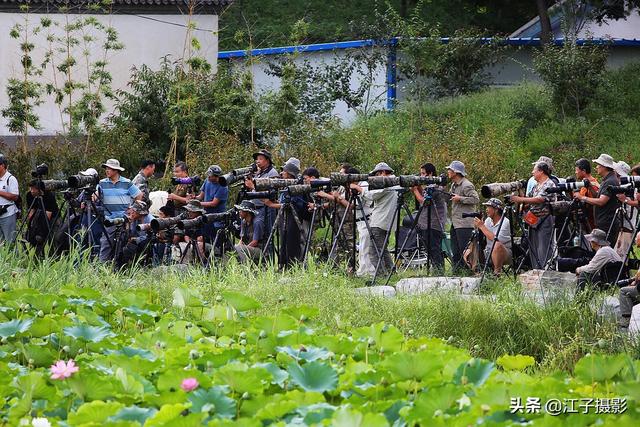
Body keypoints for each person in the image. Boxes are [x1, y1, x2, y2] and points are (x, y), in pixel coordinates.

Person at [352, 162, 399, 276]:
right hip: (386, 221)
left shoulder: (388, 183)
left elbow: (372, 195)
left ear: (383, 173)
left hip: (380, 221)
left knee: (374, 251)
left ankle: (380, 275)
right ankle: (391, 273)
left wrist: (358, 188)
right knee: (382, 249)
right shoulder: (394, 182)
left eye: (377, 174)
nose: (376, 177)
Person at [510, 162, 556, 270]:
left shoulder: (549, 184)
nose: (532, 172)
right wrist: (519, 190)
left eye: (534, 170)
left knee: (543, 247)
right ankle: (536, 270)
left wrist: (520, 199)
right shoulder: (536, 186)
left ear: (541, 171)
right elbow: (528, 198)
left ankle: (546, 270)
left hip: (545, 219)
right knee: (534, 247)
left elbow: (540, 199)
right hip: (534, 220)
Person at [97, 158, 143, 262]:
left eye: (110, 168)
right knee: (105, 243)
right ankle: (101, 266)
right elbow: (95, 194)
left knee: (123, 244)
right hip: (109, 219)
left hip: (124, 219)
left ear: (116, 170)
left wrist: (133, 209)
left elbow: (139, 195)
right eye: (106, 168)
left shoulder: (126, 182)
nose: (107, 170)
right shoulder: (102, 183)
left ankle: (120, 266)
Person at [263, 159, 306, 266]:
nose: (281, 173)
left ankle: (292, 265)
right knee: (284, 241)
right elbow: (284, 202)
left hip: (293, 217)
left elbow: (291, 205)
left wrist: (271, 204)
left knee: (291, 241)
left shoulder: (296, 186)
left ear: (290, 174)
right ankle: (283, 264)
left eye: (284, 171)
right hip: (285, 216)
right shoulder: (286, 186)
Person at [576, 154, 621, 247]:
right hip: (604, 221)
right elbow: (599, 196)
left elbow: (601, 201)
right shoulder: (607, 180)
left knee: (606, 249)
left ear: (604, 167)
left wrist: (582, 197)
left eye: (598, 165)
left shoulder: (610, 181)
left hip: (607, 222)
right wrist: (590, 187)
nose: (596, 167)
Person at [411, 162, 448, 271]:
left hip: (434, 223)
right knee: (429, 249)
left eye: (423, 173)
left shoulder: (436, 187)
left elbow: (424, 202)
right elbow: (425, 195)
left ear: (430, 173)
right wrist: (419, 188)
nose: (421, 176)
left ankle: (439, 271)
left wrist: (415, 191)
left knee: (434, 248)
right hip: (426, 222)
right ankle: (436, 269)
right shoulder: (429, 186)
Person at [447, 160, 480, 272]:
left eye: (450, 170)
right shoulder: (453, 185)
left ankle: (469, 271)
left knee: (465, 250)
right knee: (455, 250)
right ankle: (457, 271)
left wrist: (460, 199)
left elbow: (476, 199)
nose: (448, 171)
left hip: (465, 223)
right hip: (456, 222)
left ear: (456, 172)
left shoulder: (467, 185)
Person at [245, 149, 279, 238]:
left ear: (267, 160)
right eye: (257, 159)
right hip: (257, 207)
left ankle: (268, 252)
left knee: (267, 234)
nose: (257, 161)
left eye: (260, 159)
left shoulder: (272, 173)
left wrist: (252, 186)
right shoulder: (259, 172)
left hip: (267, 208)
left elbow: (269, 194)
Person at [575, 228, 622, 293]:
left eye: (591, 240)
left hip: (610, 281)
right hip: (613, 278)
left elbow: (591, 268)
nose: (590, 242)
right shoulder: (608, 249)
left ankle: (579, 299)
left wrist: (578, 269)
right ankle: (586, 298)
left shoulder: (603, 251)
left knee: (583, 274)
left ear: (595, 241)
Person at [474, 198, 512, 275]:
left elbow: (497, 240)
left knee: (497, 245)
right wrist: (478, 227)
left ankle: (497, 273)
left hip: (504, 253)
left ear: (496, 210)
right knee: (470, 248)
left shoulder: (505, 222)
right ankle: (476, 271)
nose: (486, 210)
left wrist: (482, 226)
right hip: (488, 251)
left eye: (488, 207)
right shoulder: (488, 220)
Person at [197, 165, 229, 246]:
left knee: (216, 242)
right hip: (206, 215)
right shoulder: (207, 181)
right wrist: (193, 198)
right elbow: (200, 196)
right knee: (205, 238)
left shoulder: (223, 186)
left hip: (217, 218)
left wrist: (198, 204)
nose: (208, 177)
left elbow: (214, 203)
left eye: (210, 176)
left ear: (216, 176)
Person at [25, 179, 60, 251]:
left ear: (39, 190)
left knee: (54, 236)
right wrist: (32, 225)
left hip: (53, 217)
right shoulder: (29, 195)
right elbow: (31, 210)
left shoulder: (49, 195)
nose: (32, 191)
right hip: (38, 216)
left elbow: (48, 216)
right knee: (34, 234)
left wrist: (42, 230)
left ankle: (55, 251)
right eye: (30, 188)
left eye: (34, 189)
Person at [117, 201, 154, 268]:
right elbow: (130, 233)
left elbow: (151, 236)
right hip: (135, 241)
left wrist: (137, 239)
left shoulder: (150, 220)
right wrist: (129, 224)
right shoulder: (134, 219)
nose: (132, 213)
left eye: (134, 211)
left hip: (146, 242)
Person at [613, 161, 636, 258]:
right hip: (622, 224)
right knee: (618, 252)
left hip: (627, 225)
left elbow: (636, 204)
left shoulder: (631, 187)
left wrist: (625, 200)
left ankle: (622, 271)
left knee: (621, 254)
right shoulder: (622, 186)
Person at [574, 158, 600, 230]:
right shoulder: (584, 184)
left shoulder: (593, 185)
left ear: (584, 171)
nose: (575, 172)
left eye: (577, 170)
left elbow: (595, 201)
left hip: (592, 223)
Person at [0, 154, 20, 243]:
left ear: (2, 165)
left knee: (10, 241)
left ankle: (13, 257)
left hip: (7, 214)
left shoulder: (10, 179)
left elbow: (15, 196)